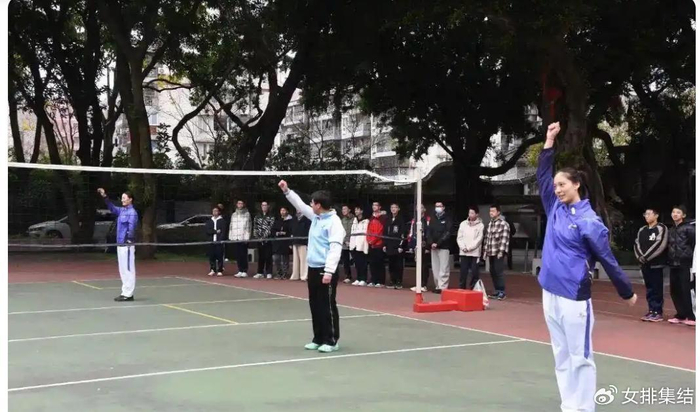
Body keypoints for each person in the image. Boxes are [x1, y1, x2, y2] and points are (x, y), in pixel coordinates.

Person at [537, 122, 636, 412]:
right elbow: (543, 175)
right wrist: (549, 141)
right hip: (549, 291)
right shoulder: (554, 207)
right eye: (556, 186)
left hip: (574, 296)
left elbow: (607, 258)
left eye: (562, 185)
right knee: (561, 354)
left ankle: (583, 407)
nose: (557, 189)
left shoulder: (590, 221)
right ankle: (569, 405)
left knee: (580, 356)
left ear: (576, 184)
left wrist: (626, 291)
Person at [279, 180, 345, 353]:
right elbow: (299, 205)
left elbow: (335, 248)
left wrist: (329, 271)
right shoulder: (316, 216)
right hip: (313, 268)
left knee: (327, 305)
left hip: (326, 269)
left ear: (319, 205)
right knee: (314, 305)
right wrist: (287, 191)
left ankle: (331, 340)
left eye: (312, 203)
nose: (310, 205)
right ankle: (318, 338)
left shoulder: (334, 223)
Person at [97, 187, 139, 302]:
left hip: (127, 245)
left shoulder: (132, 213)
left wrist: (129, 240)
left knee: (128, 269)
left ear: (130, 199)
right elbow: (111, 207)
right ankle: (125, 292)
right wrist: (104, 196)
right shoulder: (122, 211)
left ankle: (129, 294)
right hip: (120, 244)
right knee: (122, 269)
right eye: (122, 198)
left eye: (124, 198)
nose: (122, 200)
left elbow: (132, 227)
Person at [633, 208, 668, 322]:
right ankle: (651, 310)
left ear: (656, 215)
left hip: (656, 264)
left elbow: (660, 245)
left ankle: (657, 311)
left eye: (649, 214)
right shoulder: (642, 229)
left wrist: (646, 257)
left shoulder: (661, 228)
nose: (646, 216)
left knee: (657, 288)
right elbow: (637, 244)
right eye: (645, 214)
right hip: (645, 264)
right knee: (649, 288)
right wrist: (640, 257)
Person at [667, 205, 696, 326]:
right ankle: (680, 314)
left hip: (685, 263)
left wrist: (691, 259)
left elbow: (694, 244)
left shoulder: (690, 228)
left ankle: (691, 316)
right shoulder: (671, 229)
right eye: (673, 212)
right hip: (673, 263)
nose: (675, 214)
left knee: (686, 289)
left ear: (683, 215)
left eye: (678, 212)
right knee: (675, 290)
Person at [482, 204, 510, 300]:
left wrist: (501, 252)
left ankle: (502, 291)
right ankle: (497, 290)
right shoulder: (490, 224)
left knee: (499, 271)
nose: (491, 213)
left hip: (498, 252)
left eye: (493, 211)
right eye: (490, 211)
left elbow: (504, 239)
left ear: (498, 212)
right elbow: (487, 238)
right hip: (491, 251)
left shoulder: (503, 224)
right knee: (492, 271)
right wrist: (485, 251)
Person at [427, 201, 453, 293]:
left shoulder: (447, 218)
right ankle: (437, 286)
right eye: (436, 206)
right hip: (433, 247)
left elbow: (448, 232)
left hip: (444, 247)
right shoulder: (432, 218)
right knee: (435, 268)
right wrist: (431, 243)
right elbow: (429, 232)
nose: (438, 207)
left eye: (440, 206)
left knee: (444, 268)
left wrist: (438, 243)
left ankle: (443, 287)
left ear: (443, 207)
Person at [457, 206, 484, 289]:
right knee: (463, 272)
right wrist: (463, 247)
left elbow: (479, 239)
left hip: (474, 253)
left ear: (477, 214)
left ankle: (473, 288)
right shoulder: (463, 224)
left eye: (472, 213)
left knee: (474, 272)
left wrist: (469, 248)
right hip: (463, 252)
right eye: (469, 213)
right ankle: (462, 288)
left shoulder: (480, 225)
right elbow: (459, 237)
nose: (470, 215)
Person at [408, 204, 431, 293]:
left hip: (424, 245)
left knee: (424, 265)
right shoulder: (414, 220)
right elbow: (411, 233)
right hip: (416, 245)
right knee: (418, 264)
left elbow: (429, 232)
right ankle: (418, 284)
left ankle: (424, 284)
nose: (419, 209)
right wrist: (411, 245)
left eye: (421, 207)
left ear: (424, 209)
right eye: (417, 207)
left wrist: (427, 245)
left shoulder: (428, 219)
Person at [384, 203, 407, 289]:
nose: (393, 209)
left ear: (398, 209)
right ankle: (392, 280)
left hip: (398, 246)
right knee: (391, 264)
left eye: (395, 207)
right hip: (389, 245)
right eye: (392, 207)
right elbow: (385, 233)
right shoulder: (388, 219)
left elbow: (403, 233)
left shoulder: (401, 220)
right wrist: (385, 244)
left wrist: (401, 246)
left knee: (399, 264)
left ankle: (399, 281)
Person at [366, 201, 388, 287]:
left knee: (380, 263)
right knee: (372, 263)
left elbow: (380, 231)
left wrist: (373, 240)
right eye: (373, 205)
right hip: (371, 244)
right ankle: (373, 280)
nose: (374, 207)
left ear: (379, 207)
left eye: (376, 205)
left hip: (379, 243)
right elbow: (368, 230)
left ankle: (380, 281)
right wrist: (369, 240)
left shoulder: (383, 218)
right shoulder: (371, 218)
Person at [229, 200, 252, 278]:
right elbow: (231, 225)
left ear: (243, 205)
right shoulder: (234, 214)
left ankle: (244, 270)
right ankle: (240, 270)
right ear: (237, 204)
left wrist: (247, 237)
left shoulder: (247, 214)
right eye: (239, 203)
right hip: (236, 237)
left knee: (243, 254)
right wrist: (231, 235)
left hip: (243, 237)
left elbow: (249, 226)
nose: (240, 205)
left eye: (241, 203)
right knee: (238, 254)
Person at [253, 201, 275, 279]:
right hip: (259, 240)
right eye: (263, 205)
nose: (264, 207)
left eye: (265, 205)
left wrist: (264, 237)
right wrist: (257, 237)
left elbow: (270, 227)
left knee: (268, 256)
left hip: (267, 240)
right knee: (260, 256)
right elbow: (255, 227)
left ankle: (269, 272)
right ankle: (260, 272)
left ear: (268, 206)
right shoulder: (257, 216)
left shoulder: (271, 216)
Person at [349, 205, 370, 286]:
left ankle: (363, 279)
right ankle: (358, 278)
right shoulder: (354, 220)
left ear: (361, 211)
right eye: (355, 210)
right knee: (357, 263)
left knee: (363, 263)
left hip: (362, 244)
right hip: (354, 244)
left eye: (358, 210)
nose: (356, 211)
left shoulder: (366, 221)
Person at [271, 207, 294, 279]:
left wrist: (286, 234)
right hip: (277, 242)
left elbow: (291, 231)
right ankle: (279, 272)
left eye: (284, 210)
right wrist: (277, 233)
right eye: (281, 210)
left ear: (287, 211)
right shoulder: (278, 220)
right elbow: (272, 230)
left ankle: (284, 273)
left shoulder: (291, 221)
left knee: (285, 259)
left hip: (285, 242)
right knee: (276, 258)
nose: (282, 212)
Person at [205, 206, 228, 277]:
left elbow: (223, 232)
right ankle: (212, 269)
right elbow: (208, 231)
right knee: (212, 256)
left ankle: (220, 270)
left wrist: (220, 239)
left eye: (216, 211)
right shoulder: (209, 221)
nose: (215, 212)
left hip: (219, 242)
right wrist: (215, 231)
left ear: (219, 212)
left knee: (220, 256)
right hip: (211, 241)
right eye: (213, 211)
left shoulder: (222, 221)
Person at [290, 210, 311, 281]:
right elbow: (291, 230)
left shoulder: (307, 219)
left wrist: (307, 242)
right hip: (295, 241)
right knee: (295, 260)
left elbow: (308, 231)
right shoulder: (294, 219)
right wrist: (291, 242)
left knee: (304, 260)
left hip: (303, 242)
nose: (298, 211)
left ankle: (304, 275)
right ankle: (295, 275)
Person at [340, 205, 355, 284]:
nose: (343, 210)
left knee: (356, 260)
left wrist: (351, 241)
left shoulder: (354, 219)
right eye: (342, 209)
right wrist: (345, 241)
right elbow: (340, 232)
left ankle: (360, 277)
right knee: (345, 261)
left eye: (345, 209)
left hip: (353, 242)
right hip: (344, 243)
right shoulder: (342, 220)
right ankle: (348, 276)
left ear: (349, 210)